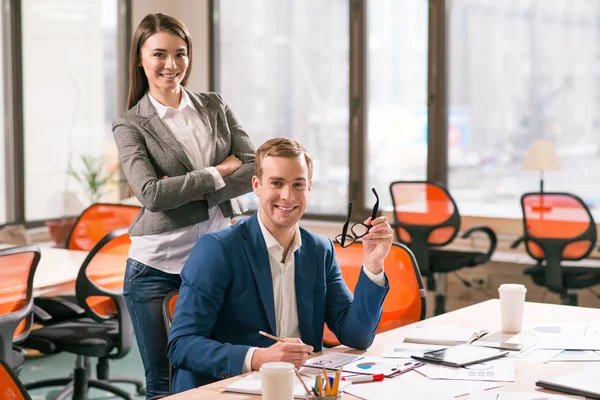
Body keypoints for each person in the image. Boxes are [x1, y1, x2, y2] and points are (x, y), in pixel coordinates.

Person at [167, 137, 394, 392]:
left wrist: (373, 264)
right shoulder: (218, 249)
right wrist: (257, 358)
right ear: (257, 185)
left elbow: (357, 337)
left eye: (298, 184)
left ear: (309, 187)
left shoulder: (320, 250)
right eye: (277, 183)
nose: (288, 196)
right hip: (226, 388)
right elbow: (181, 345)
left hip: (297, 388)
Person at [112, 13, 255, 398]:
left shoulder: (213, 106)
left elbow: (254, 167)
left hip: (214, 264)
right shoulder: (131, 124)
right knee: (166, 381)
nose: (171, 65)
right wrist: (219, 171)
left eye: (180, 53)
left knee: (222, 372)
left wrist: (183, 188)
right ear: (140, 59)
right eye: (159, 54)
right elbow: (151, 195)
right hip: (156, 269)